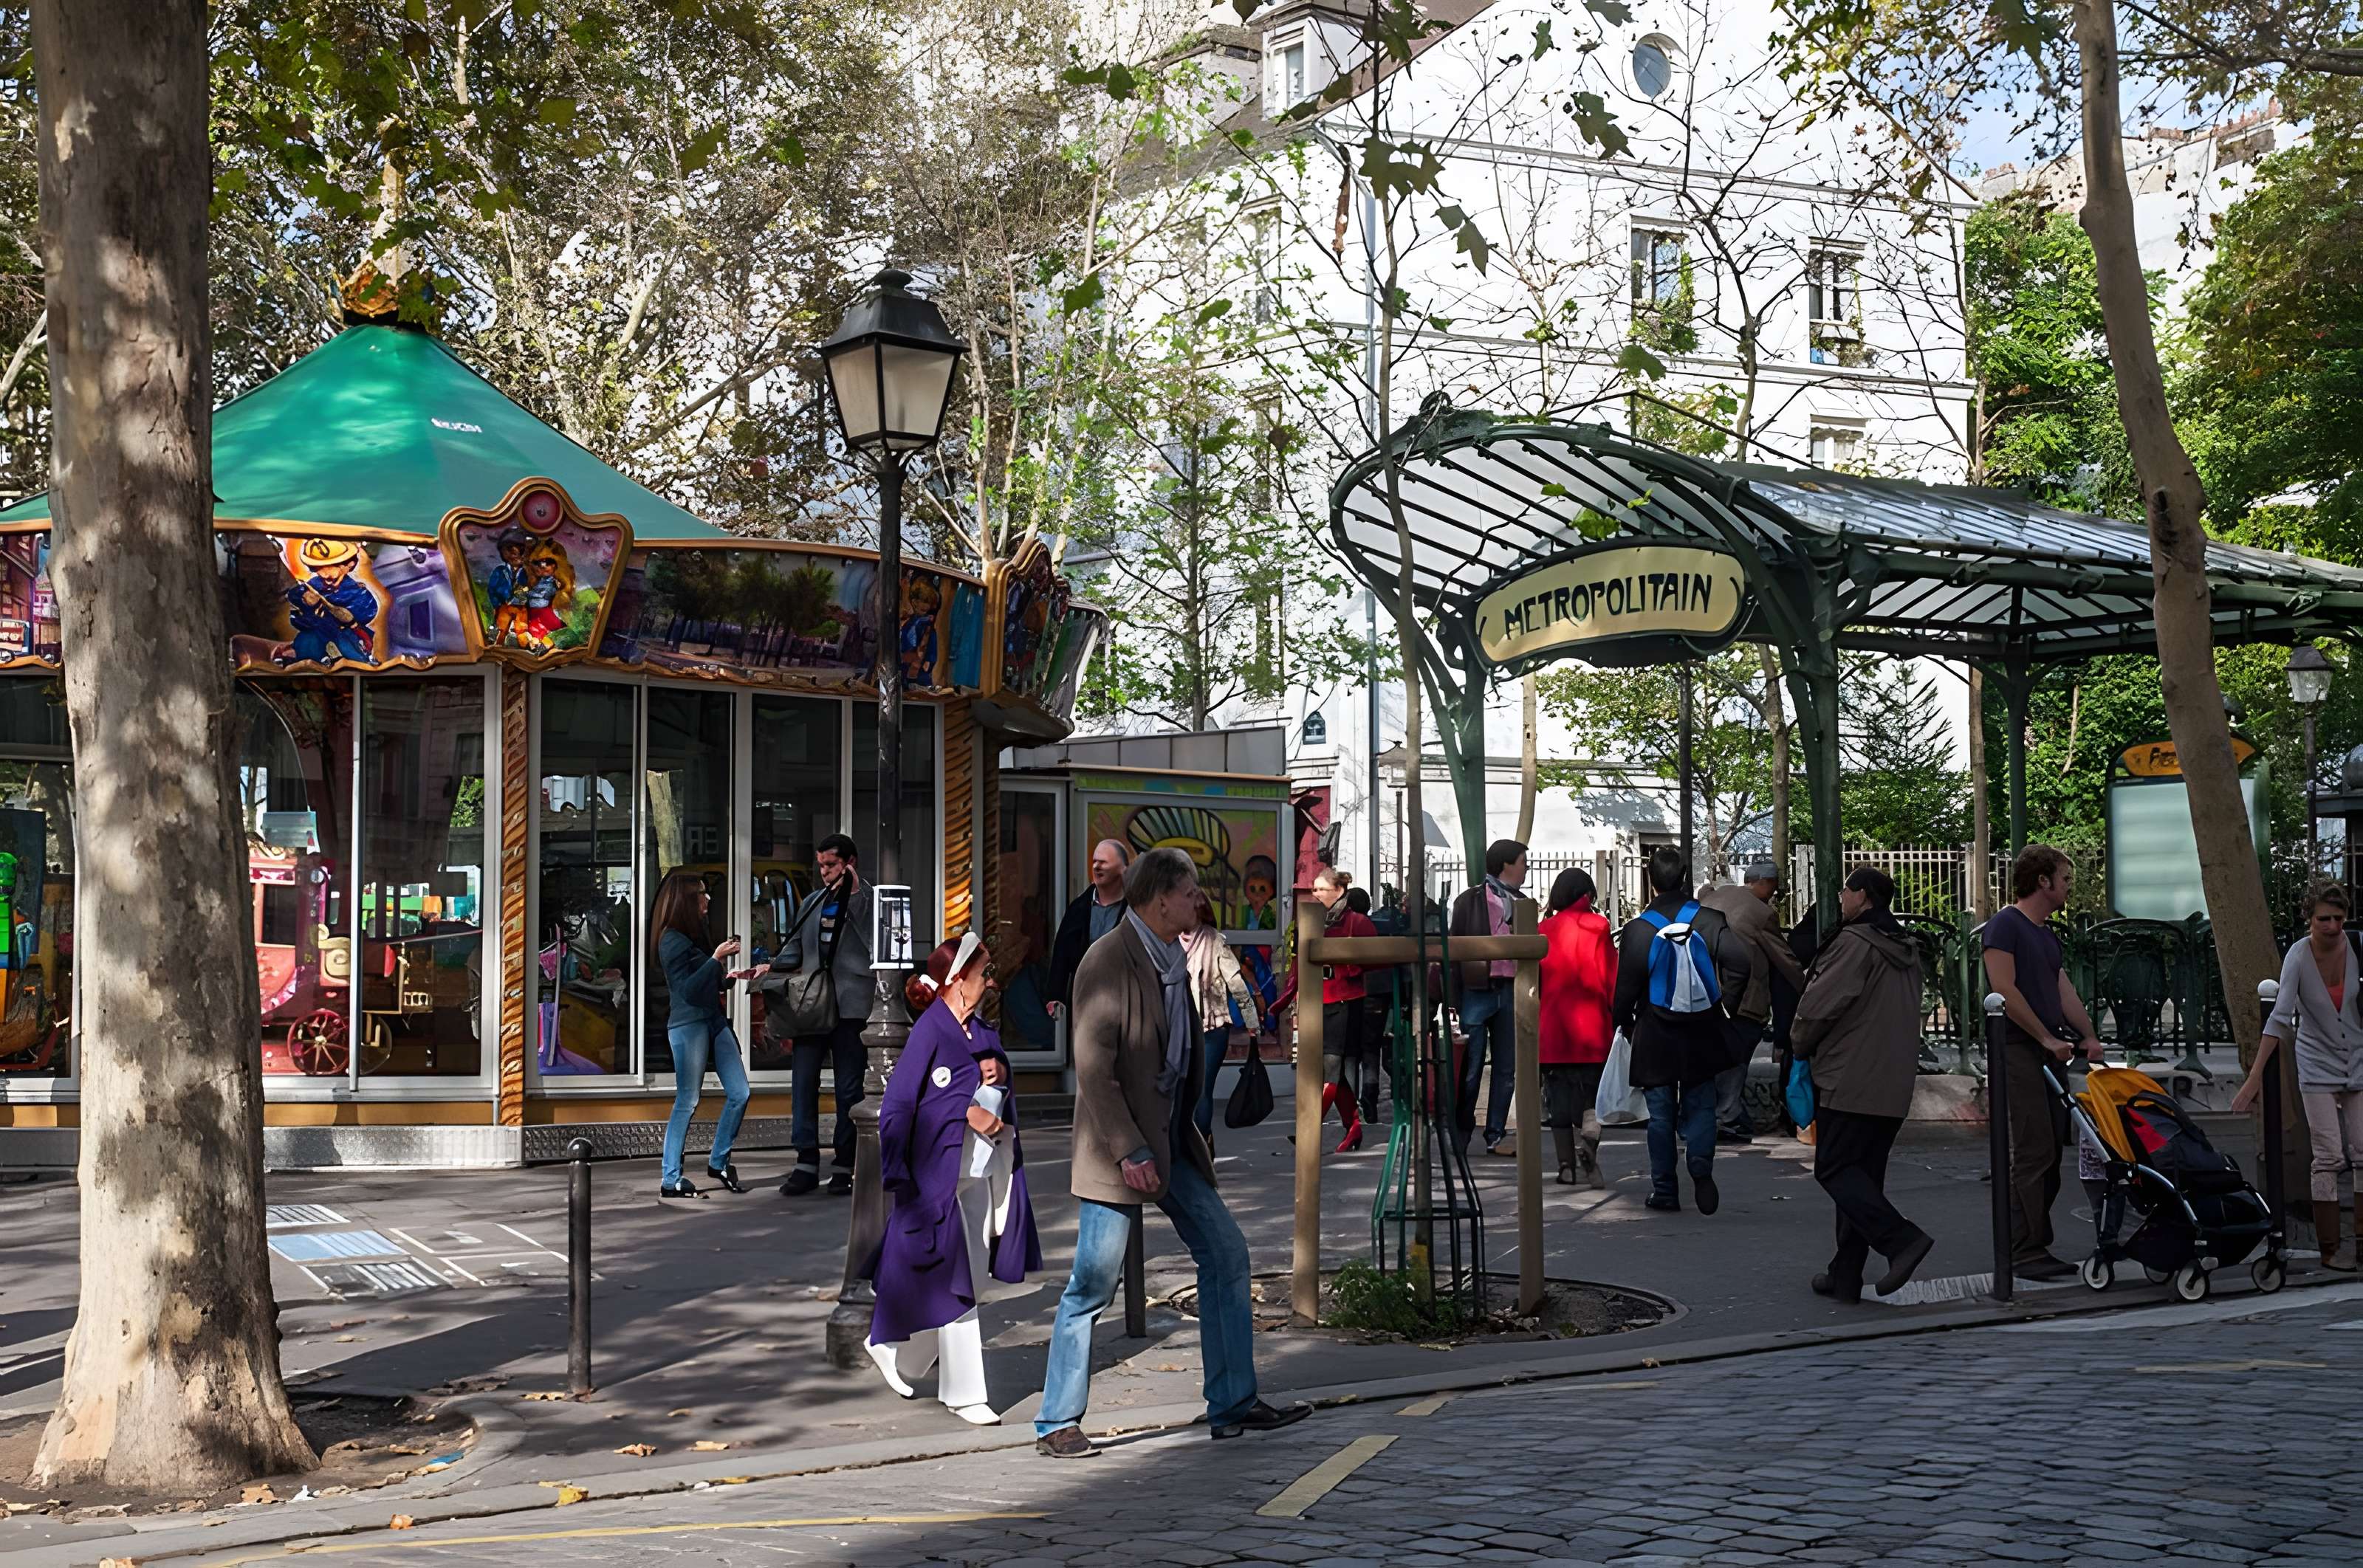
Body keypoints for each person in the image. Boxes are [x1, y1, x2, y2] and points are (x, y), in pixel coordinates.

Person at [1034, 847, 1311, 1457]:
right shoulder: (1106, 961)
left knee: (1227, 1254)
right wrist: (1130, 1147)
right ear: (1161, 899)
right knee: (1093, 1283)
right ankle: (1057, 1421)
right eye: (1189, 893)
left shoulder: (1171, 956)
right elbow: (1095, 1071)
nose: (1198, 902)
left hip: (1172, 1142)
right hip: (1119, 1149)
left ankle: (1234, 1401)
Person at [865, 932, 1043, 1424]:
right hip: (937, 1177)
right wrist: (900, 1167)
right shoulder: (930, 1031)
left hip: (979, 1173)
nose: (991, 981)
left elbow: (997, 1075)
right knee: (957, 1286)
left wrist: (996, 1087)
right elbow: (901, 1103)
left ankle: (897, 1351)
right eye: (983, 972)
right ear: (958, 980)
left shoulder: (979, 1029)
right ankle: (965, 1393)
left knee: (970, 1277)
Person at [1791, 866, 1936, 1301]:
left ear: (1863, 897)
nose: (1840, 898)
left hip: (1849, 1078)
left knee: (1834, 1168)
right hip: (1891, 1083)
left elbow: (1818, 1007)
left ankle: (1900, 1240)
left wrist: (1798, 1043)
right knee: (1862, 1179)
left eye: (1846, 891)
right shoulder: (1905, 949)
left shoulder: (1855, 944)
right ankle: (1846, 1273)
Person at [1981, 845, 2102, 1281]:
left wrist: (2088, 1035)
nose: (2070, 887)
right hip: (2019, 1050)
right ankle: (2021, 1248)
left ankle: (2033, 1242)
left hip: (2048, 1054)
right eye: (2065, 879)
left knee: (2051, 1148)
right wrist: (2046, 1037)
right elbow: (2004, 990)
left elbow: (2062, 989)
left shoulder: (2046, 934)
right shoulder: (2005, 926)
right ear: (2043, 881)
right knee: (2034, 1149)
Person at [1612, 846, 1753, 1214]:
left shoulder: (1639, 929)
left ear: (1650, 879)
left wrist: (1625, 1023)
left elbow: (1625, 987)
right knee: (1702, 1103)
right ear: (1687, 876)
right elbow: (1741, 962)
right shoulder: (1709, 919)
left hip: (1655, 1030)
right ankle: (1701, 1168)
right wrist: (1724, 1005)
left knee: (1660, 1115)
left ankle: (1665, 1191)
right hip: (1702, 1028)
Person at [2235, 881, 2363, 1271]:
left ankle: (2361, 1241)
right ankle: (2329, 1248)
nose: (2332, 926)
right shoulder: (2298, 955)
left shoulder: (2357, 946)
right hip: (2317, 1063)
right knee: (2328, 1155)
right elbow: (2279, 1018)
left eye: (2339, 918)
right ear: (2309, 919)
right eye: (2323, 919)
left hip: (2358, 1060)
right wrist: (2255, 1078)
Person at [651, 870, 761, 1199]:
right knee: (688, 1099)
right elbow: (687, 989)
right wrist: (716, 959)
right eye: (701, 893)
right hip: (689, 1024)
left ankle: (719, 1162)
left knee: (740, 1092)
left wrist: (731, 976)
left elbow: (706, 981)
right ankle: (671, 1179)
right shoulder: (671, 939)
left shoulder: (690, 937)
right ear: (686, 900)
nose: (708, 899)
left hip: (713, 1020)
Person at [777, 833, 875, 1197]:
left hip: (851, 1007)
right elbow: (794, 950)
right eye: (820, 865)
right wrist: (768, 969)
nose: (824, 872)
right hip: (812, 1005)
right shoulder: (814, 902)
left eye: (831, 865)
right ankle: (805, 1160)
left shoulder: (868, 900)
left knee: (848, 1088)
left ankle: (844, 1163)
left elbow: (872, 942)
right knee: (803, 1082)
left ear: (850, 863)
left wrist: (853, 894)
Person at [1698, 862, 1809, 1145]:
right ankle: (1727, 1118)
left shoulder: (1714, 898)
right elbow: (1783, 958)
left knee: (1711, 1058)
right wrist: (1809, 988)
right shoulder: (1761, 913)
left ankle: (1709, 1117)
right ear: (1765, 883)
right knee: (1736, 1061)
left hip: (1705, 995)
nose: (1775, 892)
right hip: (1744, 1000)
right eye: (1775, 886)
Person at [1450, 839, 1530, 1156]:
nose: (1526, 868)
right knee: (1469, 1069)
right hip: (1477, 989)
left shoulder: (1524, 902)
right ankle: (1462, 1130)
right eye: (1523, 861)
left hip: (1511, 989)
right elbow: (1455, 947)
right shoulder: (1470, 900)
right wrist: (1453, 997)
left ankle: (1495, 1134)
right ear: (1506, 864)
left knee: (1506, 1068)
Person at [1539, 867, 1616, 1188]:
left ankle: (1566, 1167)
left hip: (1554, 1027)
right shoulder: (1600, 927)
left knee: (1557, 1100)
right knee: (1592, 1099)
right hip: (1593, 1026)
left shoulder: (1543, 929)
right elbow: (1611, 978)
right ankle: (1588, 1143)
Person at [1185, 889, 1261, 1143]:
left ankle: (1202, 1145)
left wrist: (1251, 1022)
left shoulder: (1215, 941)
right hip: (1179, 1027)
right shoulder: (1167, 941)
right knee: (1184, 1089)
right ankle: (1192, 1145)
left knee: (1202, 1089)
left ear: (1199, 911)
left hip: (1212, 1028)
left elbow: (1237, 984)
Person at [1311, 867, 1379, 1152]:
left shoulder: (1357, 922)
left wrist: (1349, 962)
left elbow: (1377, 959)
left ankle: (1310, 1126)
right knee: (1334, 1072)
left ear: (1338, 891)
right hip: (1319, 1001)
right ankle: (1353, 1129)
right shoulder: (1313, 920)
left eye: (1320, 890)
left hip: (1346, 1000)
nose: (1315, 895)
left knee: (1334, 1067)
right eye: (1313, 889)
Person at [1048, 838, 1132, 1019]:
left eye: (1104, 862)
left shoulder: (1136, 910)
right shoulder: (1078, 909)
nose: (1096, 867)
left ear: (1122, 868)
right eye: (1094, 862)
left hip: (1124, 1004)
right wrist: (1056, 995)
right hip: (1085, 1002)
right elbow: (1061, 952)